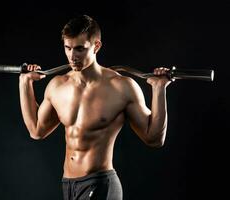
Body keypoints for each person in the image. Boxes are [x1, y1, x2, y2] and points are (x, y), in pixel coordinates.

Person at [19, 15, 171, 200]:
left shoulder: (121, 86)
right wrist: (24, 82)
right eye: (68, 48)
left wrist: (159, 89)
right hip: (69, 185)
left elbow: (154, 138)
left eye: (80, 49)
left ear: (96, 46)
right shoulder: (58, 85)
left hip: (100, 184)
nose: (72, 56)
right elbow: (36, 131)